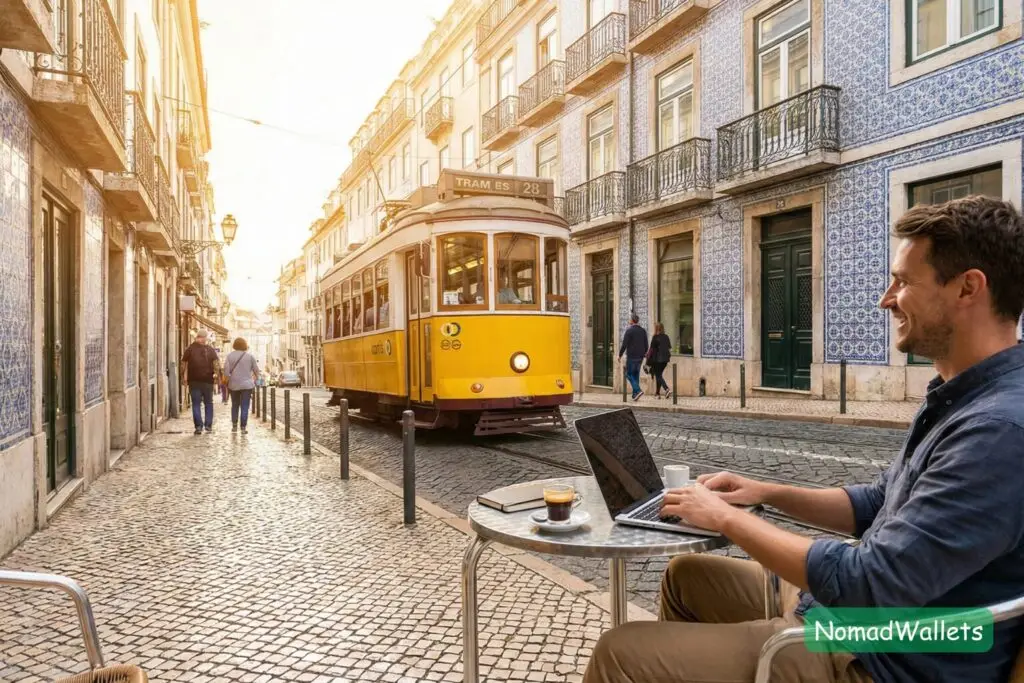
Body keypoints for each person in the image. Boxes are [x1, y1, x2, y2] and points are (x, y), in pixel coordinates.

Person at [584, 196, 1024, 683]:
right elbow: (876, 503)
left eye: (903, 282)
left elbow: (869, 584)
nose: (886, 299)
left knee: (618, 652)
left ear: (968, 288)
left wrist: (725, 518)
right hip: (855, 622)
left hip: (880, 658)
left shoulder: (996, 432)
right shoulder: (960, 396)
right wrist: (765, 492)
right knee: (686, 577)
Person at [180, 330, 220, 435]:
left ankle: (198, 427)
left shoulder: (189, 349)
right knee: (208, 403)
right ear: (203, 338)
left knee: (196, 404)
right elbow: (216, 365)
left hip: (194, 381)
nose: (205, 339)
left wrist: (182, 377)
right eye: (205, 337)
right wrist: (216, 377)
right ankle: (208, 426)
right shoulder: (210, 349)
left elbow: (183, 365)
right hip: (207, 381)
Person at [224, 337, 260, 434]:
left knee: (234, 405)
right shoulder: (250, 356)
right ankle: (243, 427)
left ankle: (234, 426)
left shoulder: (229, 356)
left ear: (234, 345)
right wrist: (255, 380)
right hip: (247, 385)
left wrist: (229, 379)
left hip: (233, 385)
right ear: (244, 345)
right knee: (245, 406)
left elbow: (226, 372)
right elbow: (256, 371)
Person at [618, 313, 648, 401]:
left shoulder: (629, 331)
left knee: (628, 374)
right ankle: (635, 395)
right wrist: (644, 353)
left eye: (630, 319)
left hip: (632, 356)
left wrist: (620, 355)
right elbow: (646, 345)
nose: (629, 321)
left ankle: (638, 390)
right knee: (636, 375)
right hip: (640, 357)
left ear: (632, 320)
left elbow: (624, 344)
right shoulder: (643, 331)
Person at [647, 322, 672, 398]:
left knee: (658, 375)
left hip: (657, 360)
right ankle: (657, 394)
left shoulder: (655, 337)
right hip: (665, 360)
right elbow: (669, 348)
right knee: (659, 375)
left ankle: (666, 389)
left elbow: (651, 349)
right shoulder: (666, 337)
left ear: (656, 329)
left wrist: (647, 357)